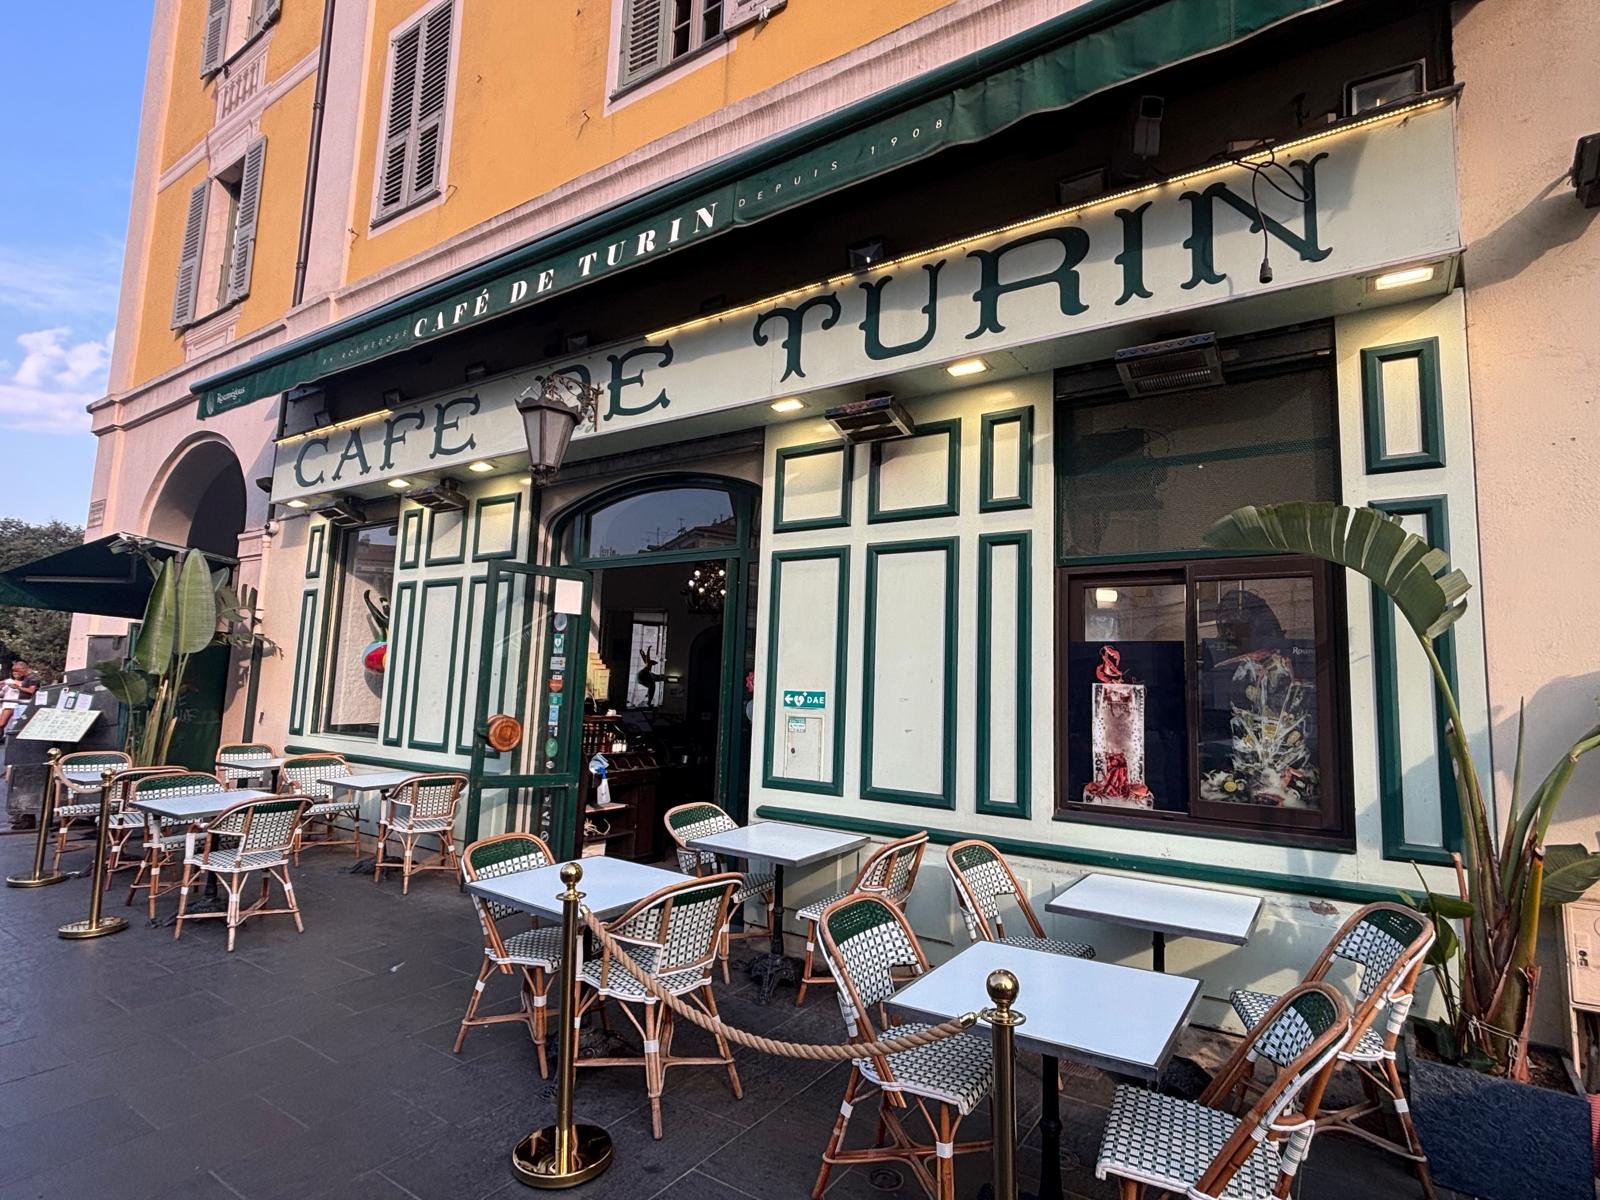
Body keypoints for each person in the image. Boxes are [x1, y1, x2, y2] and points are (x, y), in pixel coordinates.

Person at [0, 661, 41, 738]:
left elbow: (31, 690)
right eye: (15, 672)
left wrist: (17, 687)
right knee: (11, 723)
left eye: (18, 671)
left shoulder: (32, 678)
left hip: (24, 704)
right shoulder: (26, 678)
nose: (17, 674)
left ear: (23, 669)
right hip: (17, 703)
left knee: (19, 725)